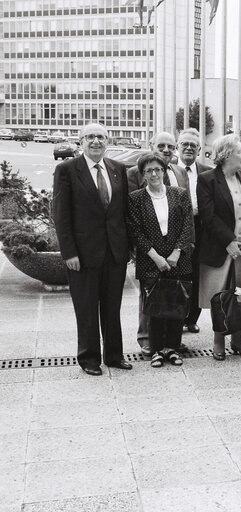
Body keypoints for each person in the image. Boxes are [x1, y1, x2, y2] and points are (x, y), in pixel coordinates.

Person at [52, 123, 132, 376]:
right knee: (86, 308)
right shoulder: (66, 170)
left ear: (107, 141)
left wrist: (127, 247)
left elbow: (123, 213)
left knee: (112, 306)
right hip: (83, 254)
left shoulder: (118, 169)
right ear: (81, 142)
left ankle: (114, 355)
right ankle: (89, 359)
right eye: (90, 137)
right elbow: (61, 215)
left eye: (101, 137)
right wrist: (69, 253)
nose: (96, 141)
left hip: (114, 252)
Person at [197, 134, 241, 360]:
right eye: (240, 152)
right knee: (220, 296)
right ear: (226, 155)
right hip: (221, 249)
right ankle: (218, 340)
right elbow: (208, 216)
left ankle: (237, 339)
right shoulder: (207, 179)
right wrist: (228, 242)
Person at [127, 152, 194, 367]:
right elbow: (136, 231)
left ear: (164, 171)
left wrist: (176, 253)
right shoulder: (136, 198)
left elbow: (187, 226)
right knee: (154, 307)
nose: (154, 173)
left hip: (178, 259)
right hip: (151, 260)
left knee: (176, 306)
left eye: (158, 169)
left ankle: (173, 348)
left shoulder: (180, 194)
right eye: (149, 170)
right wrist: (156, 257)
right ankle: (156, 350)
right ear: (143, 174)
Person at [171, 128, 213, 334]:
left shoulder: (207, 171)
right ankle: (176, 318)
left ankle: (192, 318)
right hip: (175, 230)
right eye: (184, 144)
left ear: (199, 149)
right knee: (179, 274)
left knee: (198, 274)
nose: (188, 148)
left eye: (193, 145)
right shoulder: (168, 169)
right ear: (177, 147)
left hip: (201, 228)